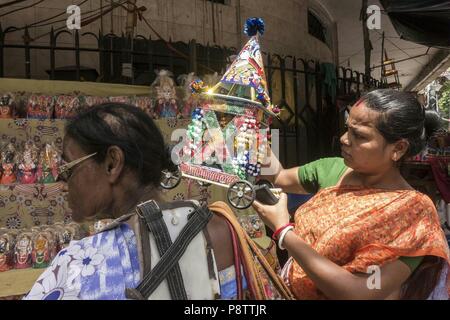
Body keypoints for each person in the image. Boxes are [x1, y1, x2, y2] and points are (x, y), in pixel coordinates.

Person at [23, 103, 241, 300]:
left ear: (112, 163)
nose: (61, 183)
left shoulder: (76, 265)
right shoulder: (221, 232)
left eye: (67, 168)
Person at [252, 89, 450, 300]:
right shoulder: (333, 170)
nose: (345, 139)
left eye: (360, 136)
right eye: (347, 129)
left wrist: (284, 232)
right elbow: (279, 176)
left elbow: (360, 291)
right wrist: (257, 134)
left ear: (398, 148)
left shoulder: (413, 213)